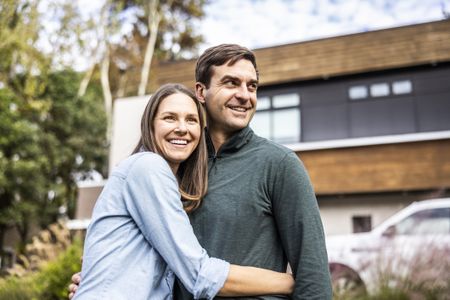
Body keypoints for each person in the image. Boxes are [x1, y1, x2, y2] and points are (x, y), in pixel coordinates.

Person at [70, 44, 332, 299]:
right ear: (201, 91)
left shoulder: (280, 164)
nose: (244, 94)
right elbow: (159, 257)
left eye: (251, 86)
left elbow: (313, 274)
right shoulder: (173, 167)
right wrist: (100, 279)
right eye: (231, 83)